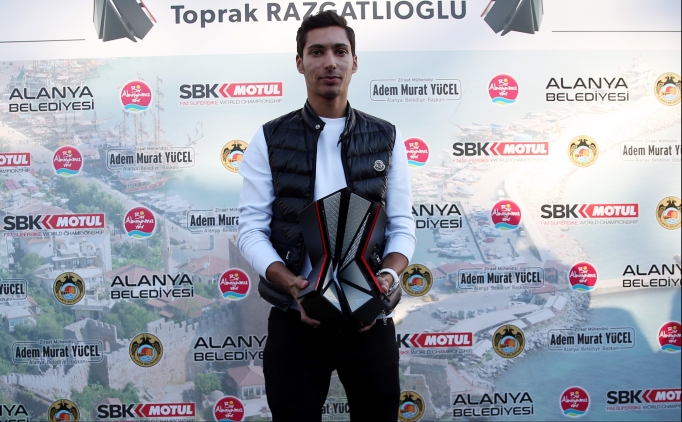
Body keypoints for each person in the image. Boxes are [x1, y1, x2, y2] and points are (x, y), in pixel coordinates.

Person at [238, 10, 415, 422]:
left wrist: (386, 278)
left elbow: (402, 226)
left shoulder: (386, 136)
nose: (329, 62)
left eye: (340, 51)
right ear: (300, 63)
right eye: (317, 52)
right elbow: (251, 231)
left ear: (355, 61)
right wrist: (292, 286)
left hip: (369, 319)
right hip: (295, 320)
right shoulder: (269, 138)